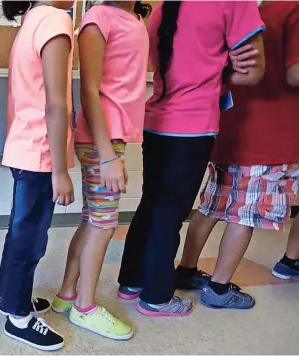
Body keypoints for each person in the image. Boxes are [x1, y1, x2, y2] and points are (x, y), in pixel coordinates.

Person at [117, 0, 266, 317]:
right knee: (170, 213)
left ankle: (131, 282)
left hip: (157, 121)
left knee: (152, 204)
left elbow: (176, 63)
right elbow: (254, 73)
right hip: (193, 126)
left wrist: (212, 66)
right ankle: (156, 297)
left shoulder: (164, 8)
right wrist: (221, 71)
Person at [176, 1, 299, 308]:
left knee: (211, 206)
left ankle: (186, 270)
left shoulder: (246, 8)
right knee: (245, 213)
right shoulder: (293, 8)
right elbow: (295, 74)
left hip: (230, 123)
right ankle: (219, 289)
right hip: (271, 133)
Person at [52, 0, 150, 340]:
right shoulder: (98, 17)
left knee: (93, 218)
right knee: (104, 223)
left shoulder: (134, 18)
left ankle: (67, 296)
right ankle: (85, 307)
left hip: (111, 138)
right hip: (101, 139)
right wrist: (108, 155)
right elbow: (89, 90)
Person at [0, 0, 76, 351]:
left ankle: (11, 296)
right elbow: (56, 103)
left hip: (24, 146)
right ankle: (18, 316)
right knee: (30, 238)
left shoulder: (31, 20)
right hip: (41, 152)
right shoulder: (56, 19)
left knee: (20, 230)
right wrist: (60, 170)